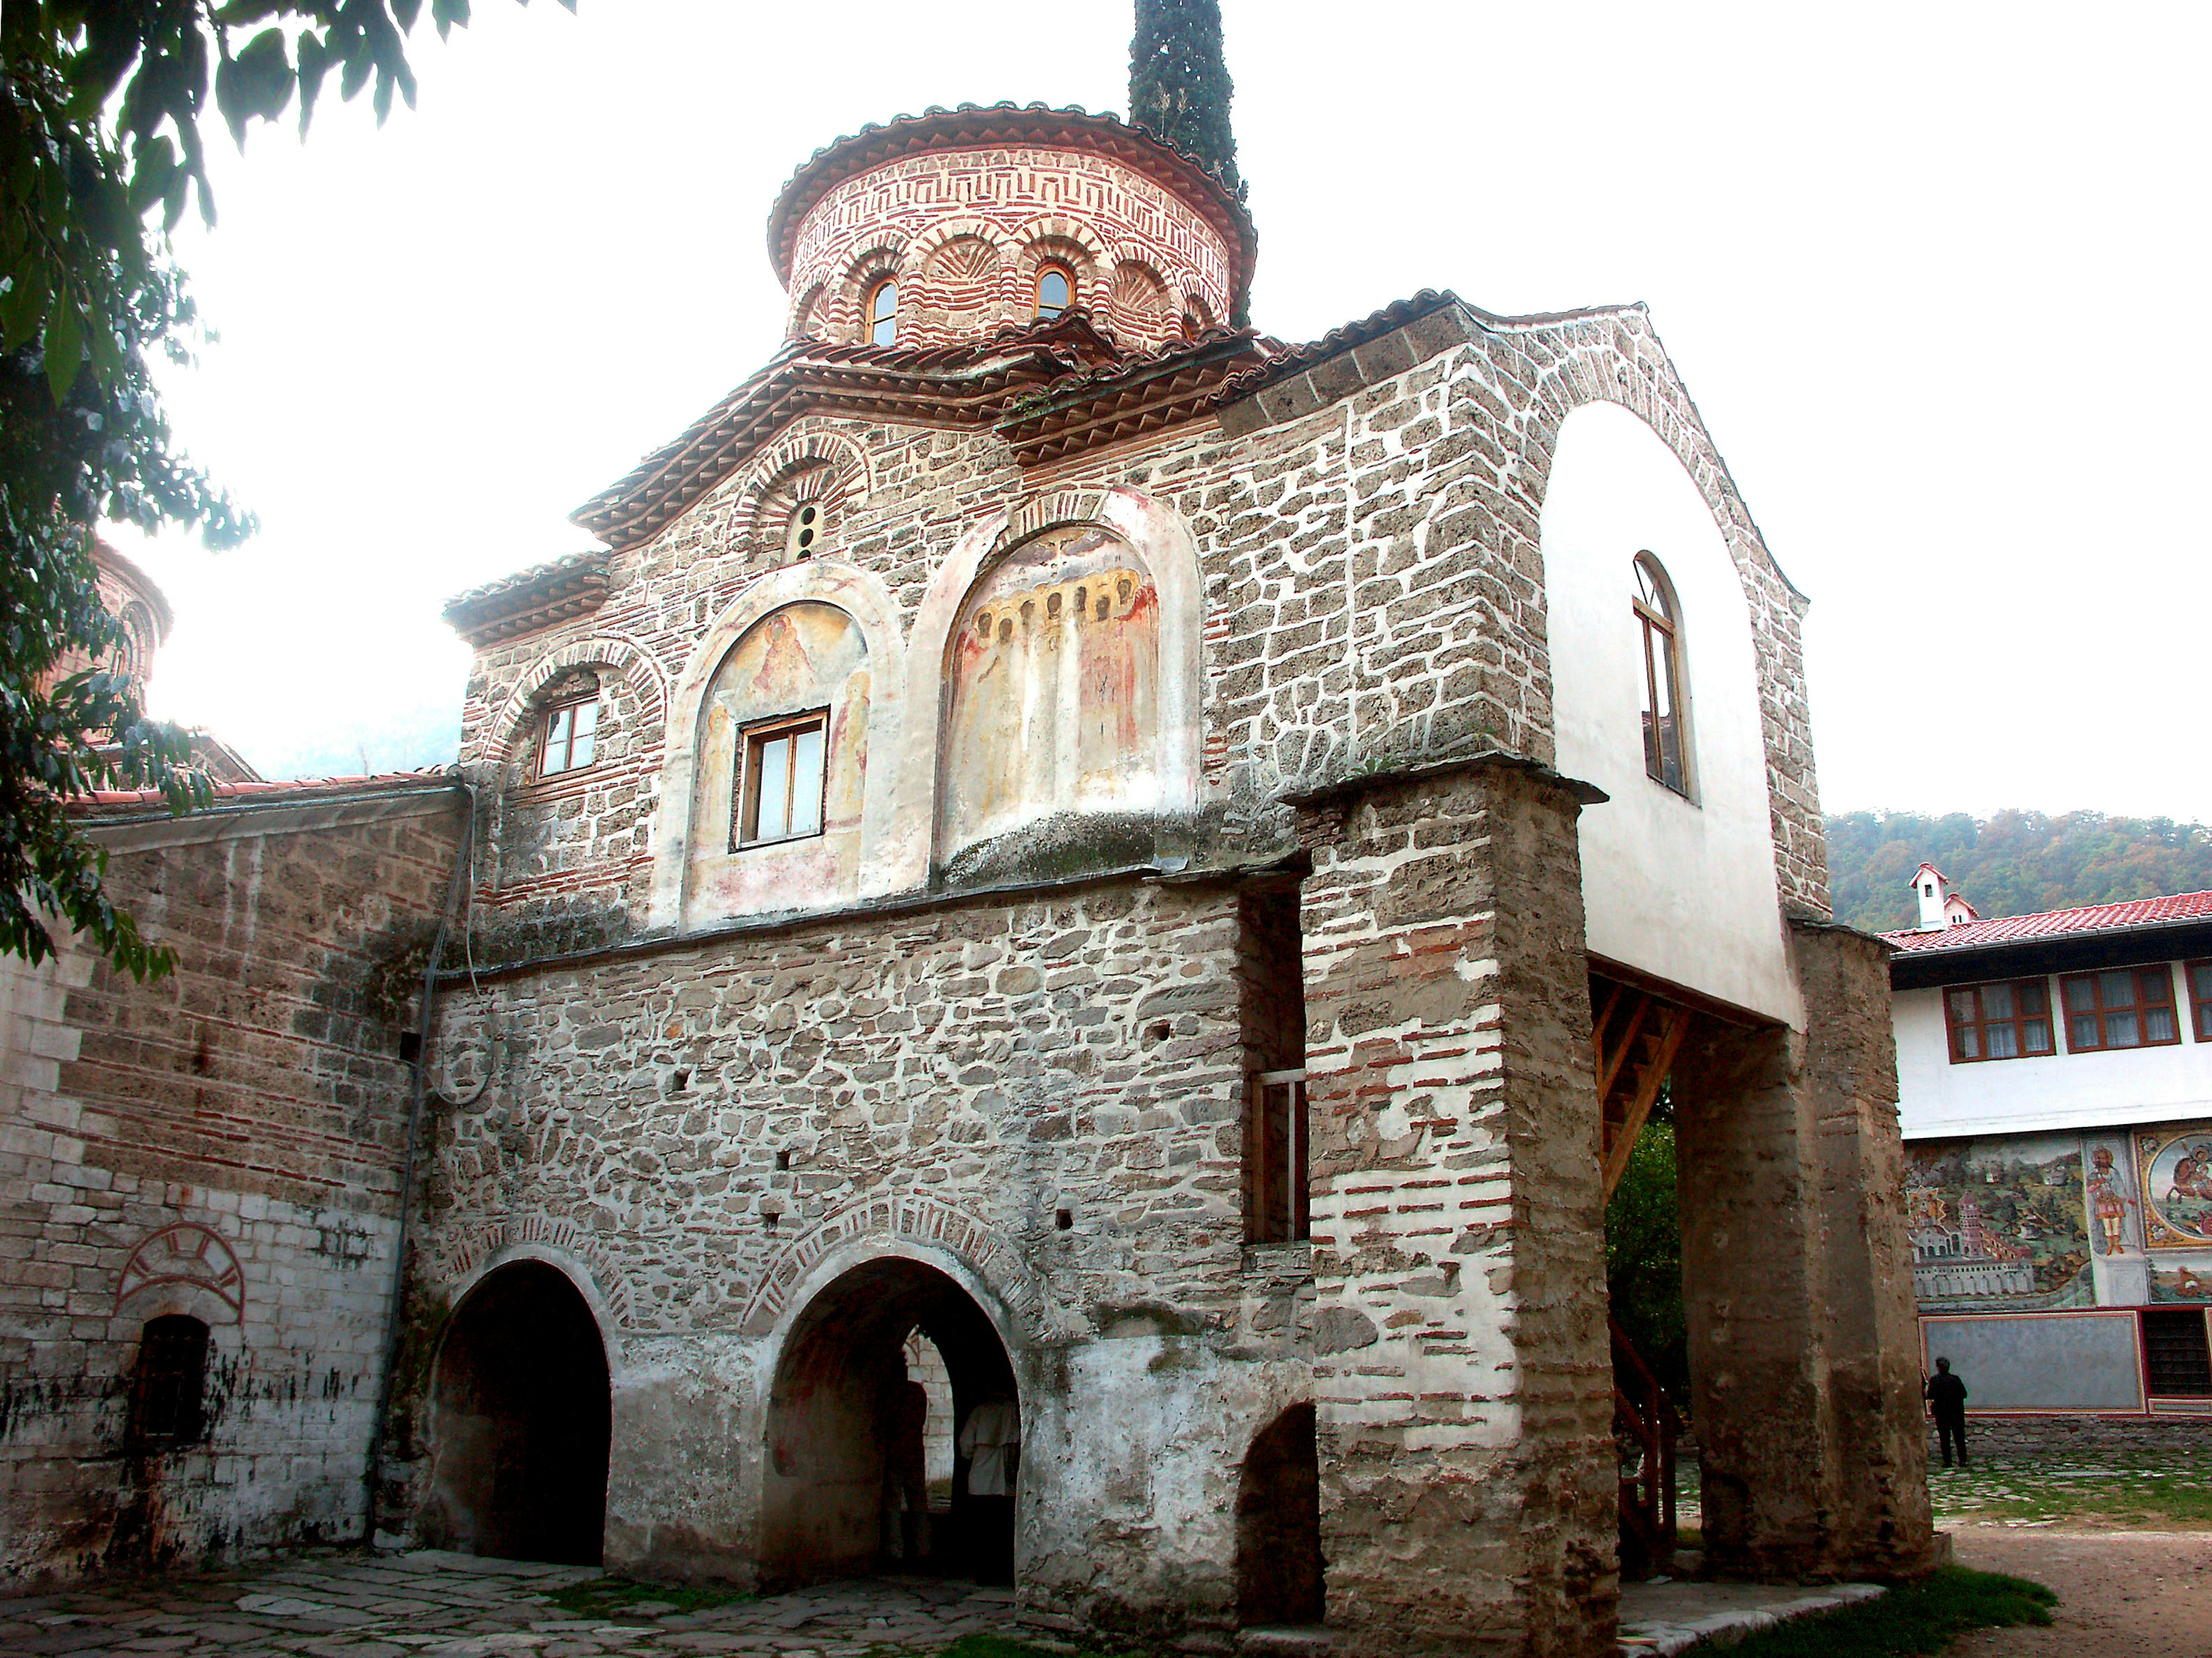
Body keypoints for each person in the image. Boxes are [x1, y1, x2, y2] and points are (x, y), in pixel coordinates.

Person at [1926, 1356, 1969, 1467]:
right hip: (1957, 1412)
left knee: (1944, 1438)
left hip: (1942, 1413)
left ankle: (1947, 1461)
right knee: (1959, 1437)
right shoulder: (1956, 1379)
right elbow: (1964, 1394)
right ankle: (1963, 1460)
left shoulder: (1935, 1380)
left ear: (1938, 1367)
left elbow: (1930, 1395)